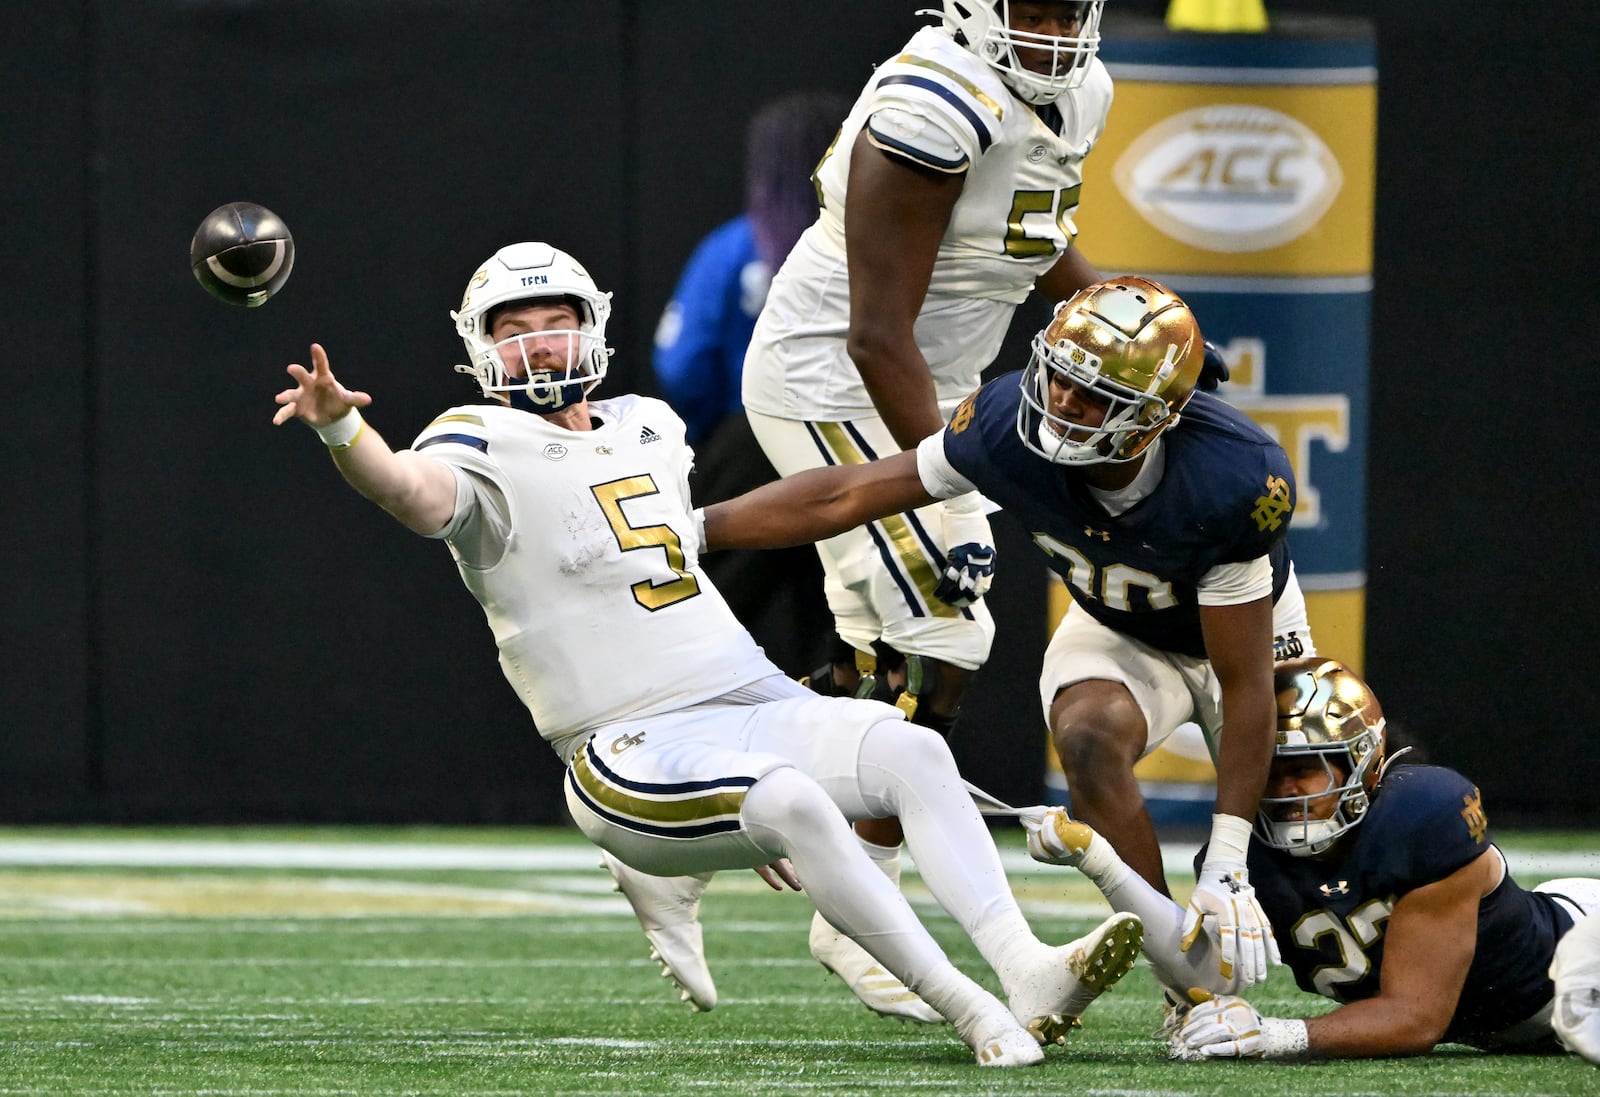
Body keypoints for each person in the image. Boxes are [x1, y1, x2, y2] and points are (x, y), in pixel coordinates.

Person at [269, 240, 1145, 1067]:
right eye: (514, 327)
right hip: (626, 745)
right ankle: (972, 1008)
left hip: (743, 700)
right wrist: (344, 432)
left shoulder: (650, 425)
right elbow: (413, 496)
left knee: (911, 744)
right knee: (791, 799)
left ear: (595, 324)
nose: (540, 342)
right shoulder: (474, 438)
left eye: (555, 318)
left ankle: (1026, 968)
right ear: (480, 347)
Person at [708, 275, 1310, 1000]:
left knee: (1307, 842)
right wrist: (694, 525)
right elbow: (850, 491)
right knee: (1086, 737)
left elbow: (1244, 686)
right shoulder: (1004, 424)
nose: (1061, 402)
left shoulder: (1229, 480)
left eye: (1093, 396)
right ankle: (1185, 984)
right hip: (1116, 623)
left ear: (1156, 417)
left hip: (1246, 636)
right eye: (1058, 376)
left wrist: (1227, 861)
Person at [737, 0, 1122, 1021]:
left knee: (900, 652)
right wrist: (968, 470)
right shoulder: (933, 101)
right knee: (943, 632)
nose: (1055, 28)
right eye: (1033, 6)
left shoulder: (1080, 88)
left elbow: (1030, 237)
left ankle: (787, 809)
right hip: (837, 379)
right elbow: (873, 332)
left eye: (1069, 6)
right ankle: (850, 894)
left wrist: (1118, 313)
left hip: (936, 384)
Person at [1023, 656, 1600, 1059]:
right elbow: (1196, 969)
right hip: (1505, 1025)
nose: (1289, 791)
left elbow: (1416, 1017)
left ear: (1365, 764)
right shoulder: (1241, 857)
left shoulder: (1422, 816)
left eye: (1308, 769)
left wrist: (1278, 1035)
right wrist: (1096, 857)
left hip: (1580, 961)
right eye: (1272, 773)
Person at [651, 90, 846, 679]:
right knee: (843, 625)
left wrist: (718, 434)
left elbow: (683, 363)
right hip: (850, 454)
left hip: (750, 447)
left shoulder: (733, 248)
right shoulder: (869, 249)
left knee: (712, 619)